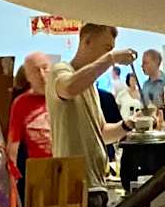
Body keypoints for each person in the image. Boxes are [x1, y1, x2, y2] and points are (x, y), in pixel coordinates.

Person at [48, 23, 133, 188]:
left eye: (111, 50)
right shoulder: (60, 71)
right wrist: (111, 59)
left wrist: (128, 124)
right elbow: (69, 88)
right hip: (73, 185)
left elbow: (101, 133)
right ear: (86, 41)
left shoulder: (90, 84)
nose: (108, 54)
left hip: (96, 182)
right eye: (106, 48)